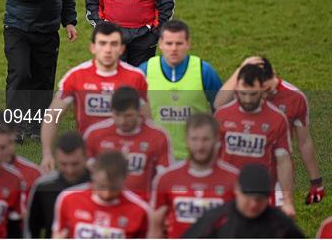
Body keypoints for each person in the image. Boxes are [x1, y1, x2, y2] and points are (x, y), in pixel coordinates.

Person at [41, 22, 150, 172]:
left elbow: (147, 120)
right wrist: (47, 154)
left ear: (122, 48)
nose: (107, 50)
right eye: (102, 43)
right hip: (87, 158)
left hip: (124, 158)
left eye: (113, 44)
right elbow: (52, 116)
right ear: (93, 47)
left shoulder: (136, 77)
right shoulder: (76, 76)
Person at [215, 56, 324, 205]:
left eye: (263, 90)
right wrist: (241, 69)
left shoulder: (295, 98)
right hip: (234, 177)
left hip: (274, 179)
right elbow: (218, 104)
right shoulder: (246, 91)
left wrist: (316, 181)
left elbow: (304, 141)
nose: (262, 97)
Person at [3, 0, 77, 142]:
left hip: (48, 31)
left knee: (44, 79)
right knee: (21, 73)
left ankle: (37, 127)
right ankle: (15, 126)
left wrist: (69, 22)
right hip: (19, 29)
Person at [214, 64, 295, 218]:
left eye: (253, 94)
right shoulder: (222, 116)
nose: (248, 99)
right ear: (236, 88)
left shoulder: (277, 119)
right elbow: (212, 157)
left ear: (263, 89)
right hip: (228, 190)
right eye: (243, 94)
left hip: (262, 192)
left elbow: (283, 162)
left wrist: (287, 201)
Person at [139, 20, 222, 159]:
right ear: (160, 44)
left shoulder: (204, 71)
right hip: (156, 156)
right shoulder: (145, 71)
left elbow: (222, 109)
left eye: (179, 43)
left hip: (194, 157)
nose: (173, 49)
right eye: (169, 43)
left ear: (188, 44)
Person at [151, 113, 238, 238]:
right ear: (186, 140)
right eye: (194, 139)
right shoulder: (166, 178)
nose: (200, 146)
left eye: (205, 139)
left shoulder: (234, 179)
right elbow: (155, 225)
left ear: (216, 139)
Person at [84, 86, 172, 201]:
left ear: (139, 111)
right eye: (117, 115)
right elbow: (84, 172)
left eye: (128, 115)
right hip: (106, 201)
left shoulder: (158, 136)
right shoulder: (94, 134)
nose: (122, 121)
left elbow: (164, 177)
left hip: (142, 204)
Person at [182, 164, 304, 238]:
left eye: (260, 199)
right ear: (236, 189)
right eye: (248, 197)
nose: (253, 204)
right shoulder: (217, 219)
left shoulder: (280, 223)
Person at [52, 151, 151, 238]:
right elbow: (58, 233)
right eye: (102, 185)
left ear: (124, 179)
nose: (106, 194)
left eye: (113, 188)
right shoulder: (68, 199)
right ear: (93, 175)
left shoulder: (141, 210)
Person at [26, 132, 91, 238]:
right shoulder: (44, 187)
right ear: (56, 158)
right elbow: (31, 230)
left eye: (75, 164)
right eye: (63, 164)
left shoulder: (100, 185)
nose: (70, 170)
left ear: (86, 157)